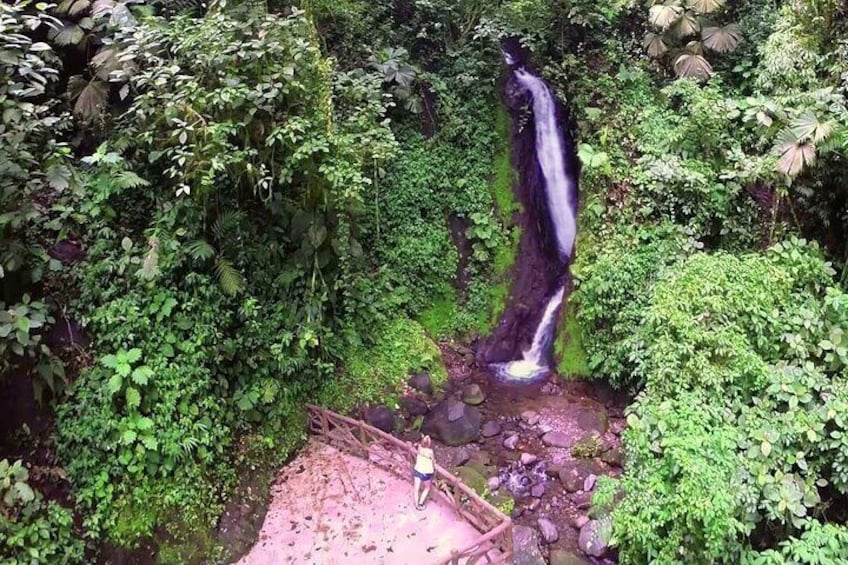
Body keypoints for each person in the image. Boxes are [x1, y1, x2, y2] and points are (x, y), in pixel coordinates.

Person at [412, 435, 434, 510]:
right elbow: (433, 461)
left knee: (416, 489)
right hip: (426, 472)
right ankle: (420, 504)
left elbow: (417, 445)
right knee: (427, 487)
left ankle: (416, 504)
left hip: (417, 470)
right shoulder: (430, 452)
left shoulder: (419, 448)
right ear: (429, 443)